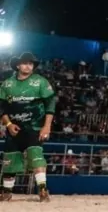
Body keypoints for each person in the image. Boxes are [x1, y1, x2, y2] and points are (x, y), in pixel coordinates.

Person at [0, 52, 56, 202]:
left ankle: (43, 190)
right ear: (18, 65)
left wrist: (47, 126)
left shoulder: (40, 82)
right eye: (25, 63)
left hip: (35, 128)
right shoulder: (7, 84)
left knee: (36, 157)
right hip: (14, 129)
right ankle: (6, 192)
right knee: (10, 161)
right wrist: (9, 124)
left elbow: (50, 103)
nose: (28, 66)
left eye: (31, 64)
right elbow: (1, 108)